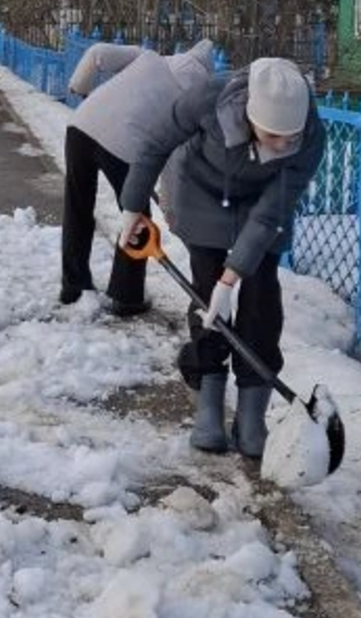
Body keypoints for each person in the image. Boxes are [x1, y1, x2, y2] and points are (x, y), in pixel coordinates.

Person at [120, 55, 323, 459]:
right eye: (273, 136)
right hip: (200, 192)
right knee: (206, 293)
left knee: (262, 298)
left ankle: (252, 414)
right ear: (249, 116)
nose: (284, 146)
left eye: (291, 138)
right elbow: (156, 142)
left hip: (262, 206)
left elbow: (269, 214)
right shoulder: (209, 97)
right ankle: (208, 403)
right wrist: (132, 204)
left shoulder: (312, 136)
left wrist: (233, 280)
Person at [60, 39, 217, 313]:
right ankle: (126, 296)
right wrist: (169, 208)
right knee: (137, 217)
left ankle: (73, 285)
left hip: (80, 126)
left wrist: (80, 86)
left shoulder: (149, 57)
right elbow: (172, 159)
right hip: (125, 146)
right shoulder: (190, 103)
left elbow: (98, 53)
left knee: (77, 206)